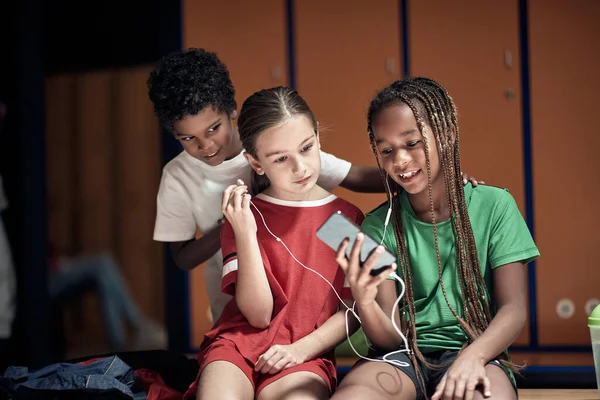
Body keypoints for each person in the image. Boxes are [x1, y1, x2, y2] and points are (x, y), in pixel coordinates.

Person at [146, 48, 481, 323]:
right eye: (188, 138)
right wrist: (236, 223)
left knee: (374, 275)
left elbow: (354, 185)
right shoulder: (184, 180)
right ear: (257, 164)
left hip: (305, 317)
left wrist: (429, 178)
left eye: (213, 129)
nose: (206, 146)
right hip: (239, 311)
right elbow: (184, 258)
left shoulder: (328, 208)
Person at [331, 77, 540, 400]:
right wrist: (366, 299)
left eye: (412, 143)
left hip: (475, 349)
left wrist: (473, 357)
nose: (399, 161)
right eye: (386, 150)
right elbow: (388, 338)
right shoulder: (377, 226)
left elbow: (514, 310)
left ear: (447, 133)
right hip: (401, 357)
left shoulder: (495, 205)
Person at [188, 86, 362, 400]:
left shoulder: (341, 220)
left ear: (318, 139)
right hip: (237, 346)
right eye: (281, 158)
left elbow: (354, 311)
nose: (300, 168)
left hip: (304, 353)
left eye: (307, 148)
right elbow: (258, 316)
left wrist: (300, 350)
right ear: (256, 163)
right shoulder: (243, 215)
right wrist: (244, 233)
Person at [48, 247, 166, 353]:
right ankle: (134, 328)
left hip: (53, 267)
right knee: (102, 265)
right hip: (43, 277)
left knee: (105, 266)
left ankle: (126, 335)